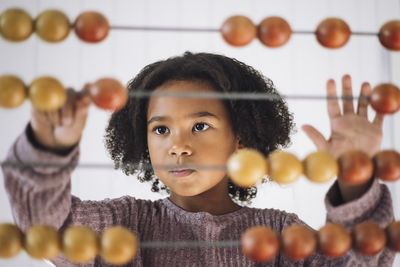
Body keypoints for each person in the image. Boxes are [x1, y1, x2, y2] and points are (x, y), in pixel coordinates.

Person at [2, 52, 395, 266]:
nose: (178, 146)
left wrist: (355, 176)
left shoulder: (280, 235)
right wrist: (49, 150)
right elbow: (46, 229)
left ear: (240, 137)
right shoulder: (122, 224)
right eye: (160, 130)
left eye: (201, 126)